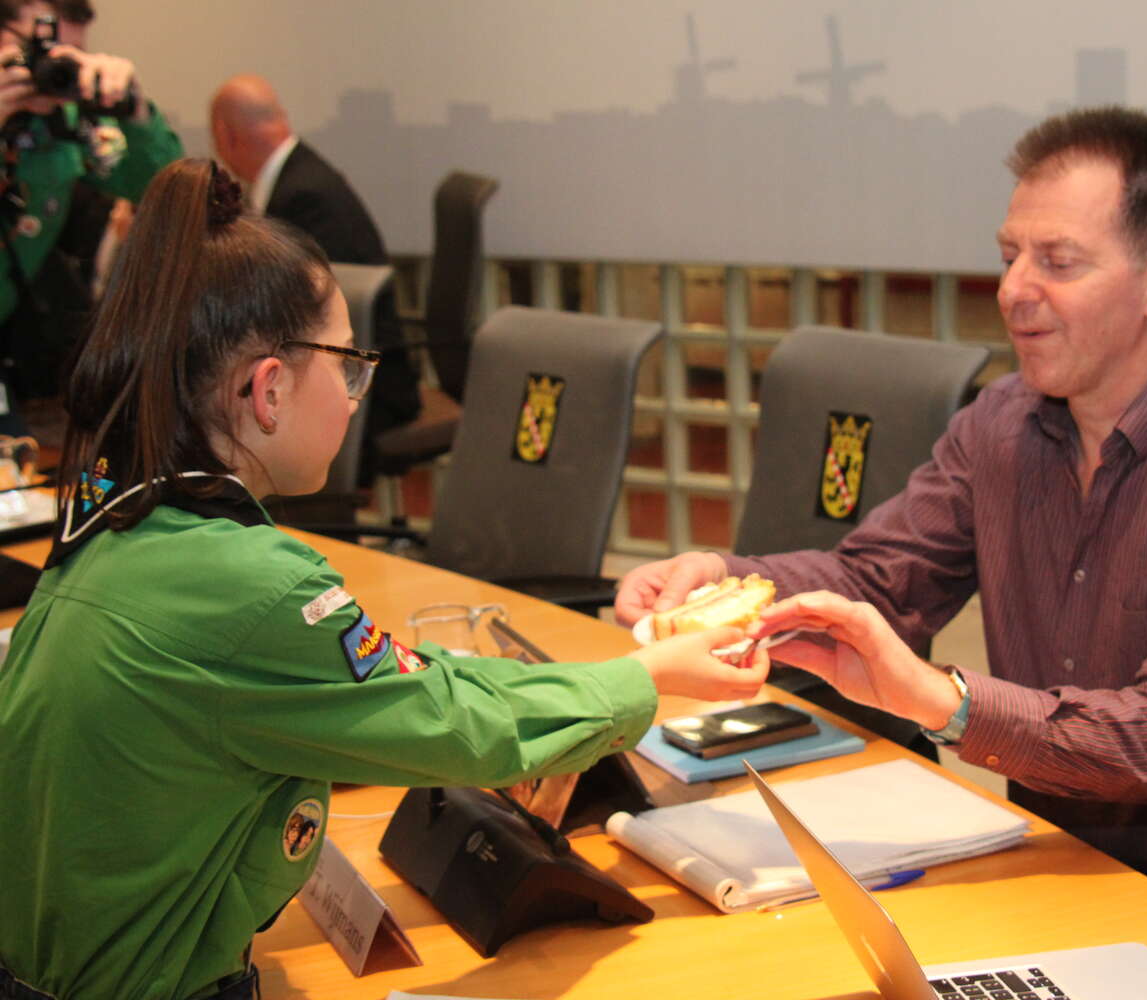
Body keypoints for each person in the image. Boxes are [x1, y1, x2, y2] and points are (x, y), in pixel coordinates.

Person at [0, 159, 770, 1000]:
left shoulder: (117, 517)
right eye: (348, 367)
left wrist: (600, 685)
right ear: (267, 390)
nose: (358, 396)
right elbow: (454, 727)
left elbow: (409, 684)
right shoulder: (248, 583)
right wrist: (645, 678)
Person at [616, 107, 1147, 940]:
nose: (1011, 291)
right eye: (1009, 257)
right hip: (1052, 859)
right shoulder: (1003, 424)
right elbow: (879, 580)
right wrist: (725, 578)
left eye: (1057, 262)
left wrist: (947, 703)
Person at [209, 73, 420, 480]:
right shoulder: (302, 178)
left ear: (224, 135)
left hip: (374, 391)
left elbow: (285, 319)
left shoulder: (301, 199)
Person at [0, 0, 179, 430]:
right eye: (38, 50)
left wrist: (133, 109)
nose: (49, 68)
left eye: (69, 56)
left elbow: (163, 191)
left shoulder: (64, 126)